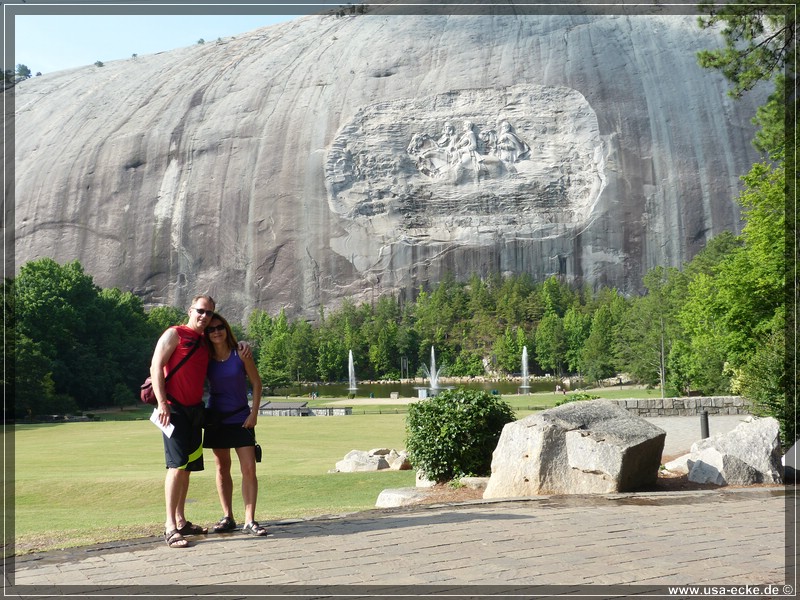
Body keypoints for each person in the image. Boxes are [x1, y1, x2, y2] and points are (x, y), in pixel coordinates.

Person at [150, 294, 216, 549]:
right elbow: (156, 366)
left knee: (187, 466)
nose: (204, 316)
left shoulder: (204, 340)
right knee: (176, 466)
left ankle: (181, 520)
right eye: (201, 311)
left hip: (195, 411)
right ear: (190, 310)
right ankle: (169, 527)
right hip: (173, 410)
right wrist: (162, 403)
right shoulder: (174, 334)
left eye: (209, 313)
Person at [203, 313, 267, 536]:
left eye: (220, 327)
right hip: (215, 419)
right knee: (222, 468)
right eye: (210, 329)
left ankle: (249, 520)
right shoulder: (205, 356)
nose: (216, 332)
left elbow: (257, 384)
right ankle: (227, 516)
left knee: (249, 469)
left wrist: (254, 414)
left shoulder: (240, 353)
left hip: (241, 418)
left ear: (226, 329)